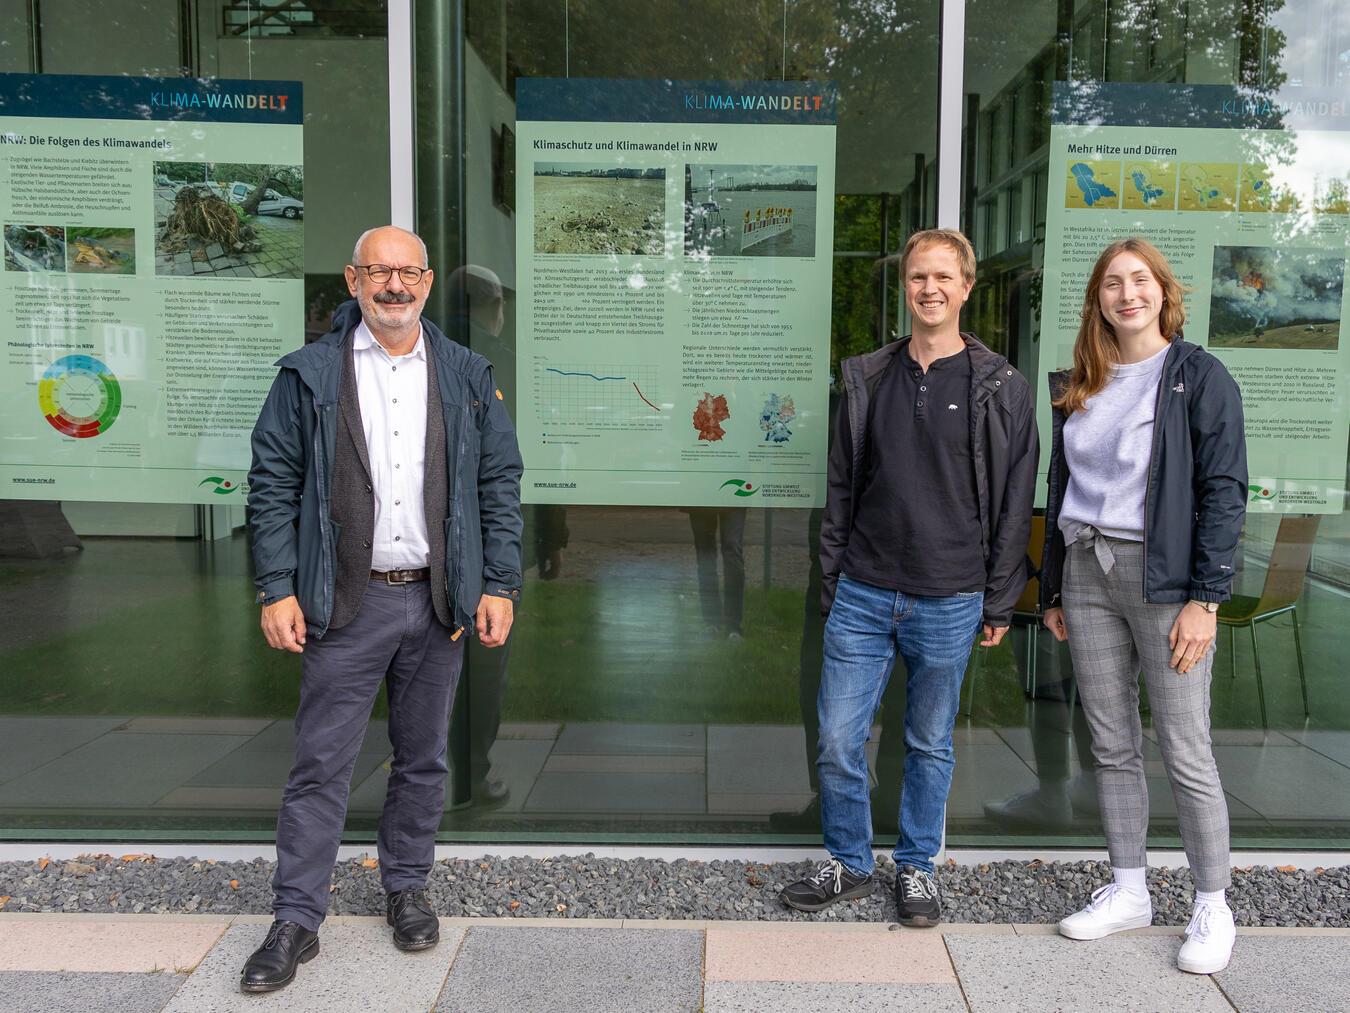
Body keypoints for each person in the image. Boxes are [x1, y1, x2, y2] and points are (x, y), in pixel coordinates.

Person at [242, 226, 523, 992]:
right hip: (345, 603)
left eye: (407, 272)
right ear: (353, 278)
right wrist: (277, 586)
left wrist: (499, 581)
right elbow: (270, 483)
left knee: (424, 757)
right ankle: (296, 918)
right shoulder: (308, 375)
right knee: (321, 765)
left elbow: (499, 483)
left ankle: (406, 887)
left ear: (427, 283)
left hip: (437, 601)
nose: (393, 285)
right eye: (379, 271)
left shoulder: (466, 372)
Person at [780, 228, 1038, 926]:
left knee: (928, 741)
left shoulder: (1001, 388)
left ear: (967, 286)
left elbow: (1017, 501)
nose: (930, 288)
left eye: (943, 277)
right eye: (918, 276)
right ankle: (851, 861)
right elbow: (841, 488)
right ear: (906, 286)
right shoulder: (867, 378)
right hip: (864, 590)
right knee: (838, 736)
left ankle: (918, 867)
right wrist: (832, 583)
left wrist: (999, 599)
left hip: (950, 595)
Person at [1040, 237, 1246, 974]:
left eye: (1140, 281)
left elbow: (1224, 491)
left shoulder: (1198, 375)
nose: (1127, 295)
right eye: (1112, 285)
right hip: (1088, 570)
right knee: (1111, 741)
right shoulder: (1081, 380)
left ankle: (1212, 902)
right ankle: (1129, 887)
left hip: (1165, 578)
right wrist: (1055, 585)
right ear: (1097, 299)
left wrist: (1206, 597)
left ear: (1163, 290)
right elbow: (1062, 485)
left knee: (1185, 745)